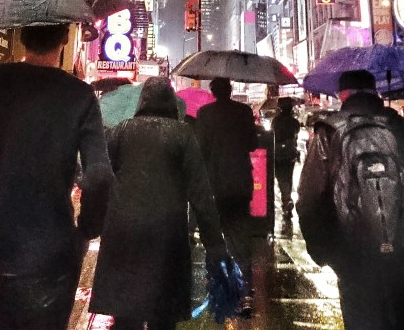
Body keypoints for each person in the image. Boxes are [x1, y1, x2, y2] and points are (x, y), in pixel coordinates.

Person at [0, 24, 112, 330]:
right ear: (65, 38)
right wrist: (85, 231)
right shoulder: (80, 95)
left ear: (22, 34)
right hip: (51, 252)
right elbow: (100, 176)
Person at [297, 69, 404, 330]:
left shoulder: (329, 131)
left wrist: (325, 252)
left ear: (343, 95)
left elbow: (309, 200)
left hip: (353, 259)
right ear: (375, 92)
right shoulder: (402, 128)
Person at [90, 77, 228, 330]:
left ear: (142, 102)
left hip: (124, 230)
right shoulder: (183, 134)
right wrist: (215, 245)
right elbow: (201, 194)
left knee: (125, 312)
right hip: (167, 232)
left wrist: (93, 221)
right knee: (163, 312)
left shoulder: (121, 131)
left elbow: (98, 176)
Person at [196, 77, 257, 308]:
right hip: (240, 182)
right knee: (240, 233)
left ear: (212, 92)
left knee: (214, 233)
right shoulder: (244, 112)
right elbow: (252, 144)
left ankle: (216, 280)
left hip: (215, 183)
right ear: (230, 90)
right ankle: (245, 287)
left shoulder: (205, 114)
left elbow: (201, 148)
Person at [271, 97, 300, 219]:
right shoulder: (294, 122)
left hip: (278, 153)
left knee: (281, 178)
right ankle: (286, 201)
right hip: (290, 153)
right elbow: (295, 136)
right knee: (288, 177)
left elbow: (273, 134)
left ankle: (287, 200)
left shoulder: (276, 121)